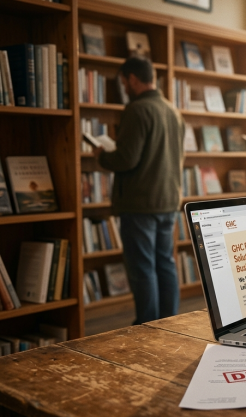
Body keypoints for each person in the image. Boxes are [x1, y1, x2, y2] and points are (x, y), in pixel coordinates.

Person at [96, 57, 184, 325]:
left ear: (133, 78)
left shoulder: (137, 109)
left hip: (140, 203)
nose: (124, 88)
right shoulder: (172, 110)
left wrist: (102, 155)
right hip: (168, 200)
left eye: (124, 82)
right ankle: (168, 323)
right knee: (165, 263)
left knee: (143, 268)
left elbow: (127, 159)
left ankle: (147, 326)